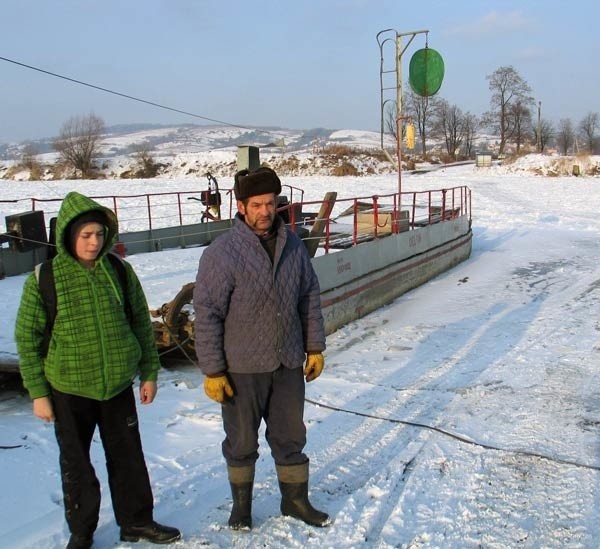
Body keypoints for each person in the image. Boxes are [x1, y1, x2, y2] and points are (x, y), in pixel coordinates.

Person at [15, 191, 181, 549]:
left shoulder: (119, 271)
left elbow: (140, 323)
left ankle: (136, 522)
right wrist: (39, 393)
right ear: (68, 236)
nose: (93, 243)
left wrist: (149, 372)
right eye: (85, 235)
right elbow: (27, 340)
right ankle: (82, 531)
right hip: (69, 389)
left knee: (128, 459)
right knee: (77, 465)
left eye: (99, 234)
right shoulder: (44, 279)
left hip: (118, 386)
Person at [193, 166, 330, 530]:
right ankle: (242, 508)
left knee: (290, 436)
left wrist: (315, 346)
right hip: (241, 367)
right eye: (256, 205)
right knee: (240, 441)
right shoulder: (222, 253)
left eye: (270, 204)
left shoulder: (294, 246)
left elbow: (309, 297)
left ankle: (295, 501)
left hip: (286, 361)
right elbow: (206, 313)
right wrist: (213, 370)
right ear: (240, 207)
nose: (264, 212)